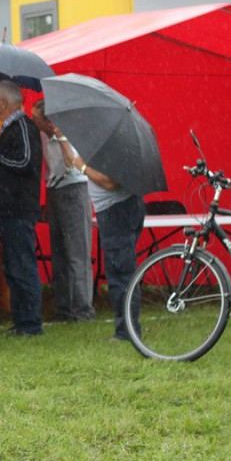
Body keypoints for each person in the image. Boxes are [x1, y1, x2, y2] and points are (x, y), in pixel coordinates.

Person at [0, 81, 45, 337]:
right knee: (13, 266)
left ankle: (30, 323)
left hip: (19, 209)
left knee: (22, 266)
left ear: (3, 103)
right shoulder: (12, 129)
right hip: (8, 209)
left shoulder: (23, 126)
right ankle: (21, 321)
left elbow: (25, 162)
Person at [69, 151, 144, 342]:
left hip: (116, 211)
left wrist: (83, 167)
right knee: (122, 273)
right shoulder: (118, 144)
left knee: (121, 275)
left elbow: (110, 182)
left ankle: (126, 332)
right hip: (121, 208)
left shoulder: (114, 149)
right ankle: (127, 328)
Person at [32, 99, 95, 322]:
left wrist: (60, 137)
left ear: (49, 121)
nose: (34, 122)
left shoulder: (69, 132)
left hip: (74, 189)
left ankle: (83, 309)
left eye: (37, 118)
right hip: (54, 191)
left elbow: (72, 164)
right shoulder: (40, 135)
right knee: (58, 253)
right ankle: (63, 307)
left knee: (77, 253)